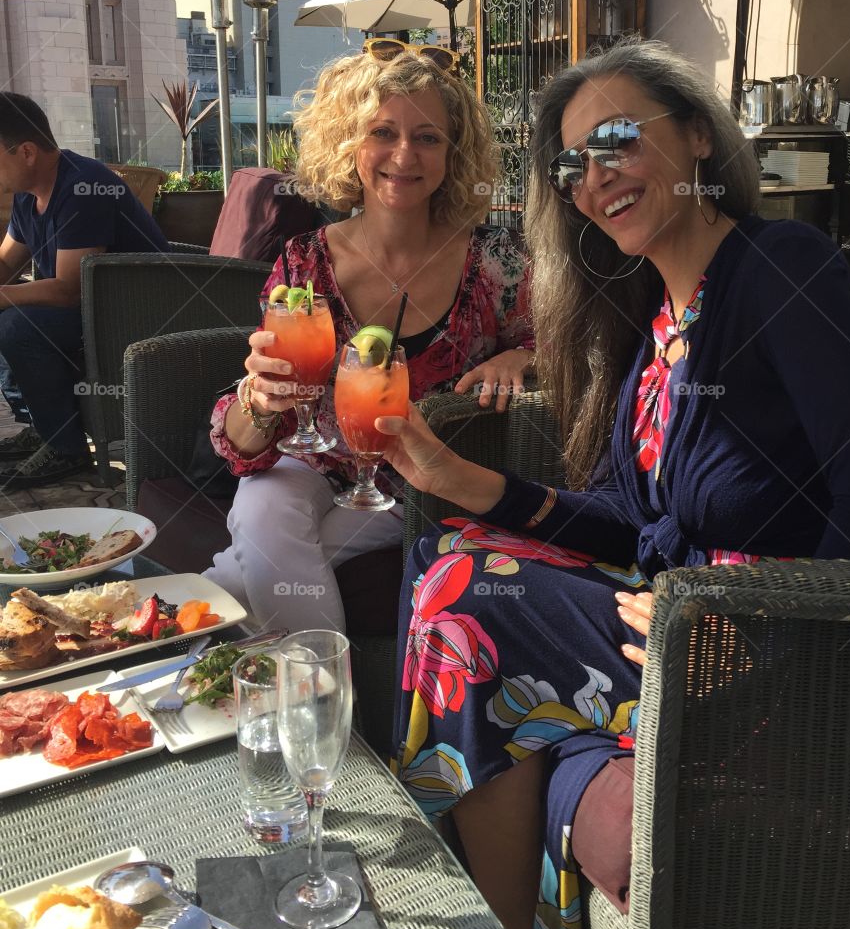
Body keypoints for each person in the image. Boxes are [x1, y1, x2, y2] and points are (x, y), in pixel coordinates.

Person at [373, 39, 850, 929]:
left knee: (462, 591)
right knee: (449, 545)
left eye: (620, 140)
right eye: (573, 163)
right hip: (668, 617)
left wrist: (748, 630)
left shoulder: (779, 268)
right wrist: (458, 480)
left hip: (765, 659)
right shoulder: (654, 326)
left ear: (702, 142)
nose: (595, 177)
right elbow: (636, 528)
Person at [206, 46, 534, 633]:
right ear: (349, 144)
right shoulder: (305, 260)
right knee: (261, 505)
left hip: (414, 475)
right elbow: (243, 443)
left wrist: (523, 353)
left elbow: (565, 348)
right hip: (311, 461)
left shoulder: (497, 262)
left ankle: (298, 695)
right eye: (383, 132)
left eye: (428, 137)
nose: (404, 155)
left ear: (453, 153)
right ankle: (328, 713)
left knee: (247, 568)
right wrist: (258, 399)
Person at [0, 92, 169, 487]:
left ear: (26, 152)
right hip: (95, 308)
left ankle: (66, 449)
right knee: (13, 318)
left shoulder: (83, 186)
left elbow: (69, 290)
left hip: (142, 312)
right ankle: (43, 428)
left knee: (17, 327)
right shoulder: (29, 196)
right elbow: (7, 261)